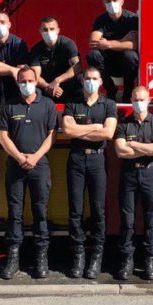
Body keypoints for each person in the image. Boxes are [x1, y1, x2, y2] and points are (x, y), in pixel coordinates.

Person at [0, 67, 58, 280]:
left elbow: (52, 135)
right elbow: (3, 137)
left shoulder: (48, 105)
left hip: (39, 165)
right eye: (23, 80)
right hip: (15, 166)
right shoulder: (9, 106)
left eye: (31, 80)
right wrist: (20, 158)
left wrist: (35, 157)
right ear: (18, 82)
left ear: (36, 81)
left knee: (40, 211)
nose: (27, 83)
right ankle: (13, 259)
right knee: (15, 213)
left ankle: (41, 259)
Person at [61, 67, 117, 279]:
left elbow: (108, 132)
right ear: (82, 81)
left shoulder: (109, 104)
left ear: (101, 81)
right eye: (87, 79)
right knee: (75, 210)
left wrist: (81, 129)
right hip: (75, 158)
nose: (91, 82)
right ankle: (78, 257)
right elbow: (68, 131)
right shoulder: (72, 103)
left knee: (98, 210)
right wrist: (95, 127)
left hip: (97, 159)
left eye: (94, 79)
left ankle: (95, 258)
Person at [113, 86, 153, 281]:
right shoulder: (123, 124)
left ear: (149, 100)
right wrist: (147, 148)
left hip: (150, 173)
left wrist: (133, 145)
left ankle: (150, 262)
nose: (138, 102)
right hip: (129, 174)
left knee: (152, 219)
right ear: (131, 99)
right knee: (127, 220)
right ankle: (127, 262)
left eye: (142, 99)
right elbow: (120, 152)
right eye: (135, 99)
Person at [86, 0, 139, 101]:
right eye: (108, 1)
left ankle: (127, 93)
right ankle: (110, 90)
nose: (112, 4)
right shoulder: (101, 20)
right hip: (107, 63)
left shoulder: (132, 19)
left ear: (122, 1)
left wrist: (108, 44)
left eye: (115, 0)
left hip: (127, 64)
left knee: (130, 55)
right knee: (93, 55)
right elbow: (94, 42)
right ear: (103, 3)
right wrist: (123, 40)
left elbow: (134, 45)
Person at [0, 11, 29, 111]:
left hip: (14, 81)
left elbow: (21, 71)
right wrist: (11, 70)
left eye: (2, 22)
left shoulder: (19, 43)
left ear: (9, 24)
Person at [30, 16, 82, 103]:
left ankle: (79, 108)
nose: (48, 32)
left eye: (52, 29)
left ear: (58, 30)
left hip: (65, 82)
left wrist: (57, 80)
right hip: (45, 86)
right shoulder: (36, 49)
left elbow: (77, 67)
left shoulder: (67, 44)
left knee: (80, 79)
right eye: (45, 30)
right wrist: (48, 87)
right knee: (31, 85)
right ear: (40, 31)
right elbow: (35, 75)